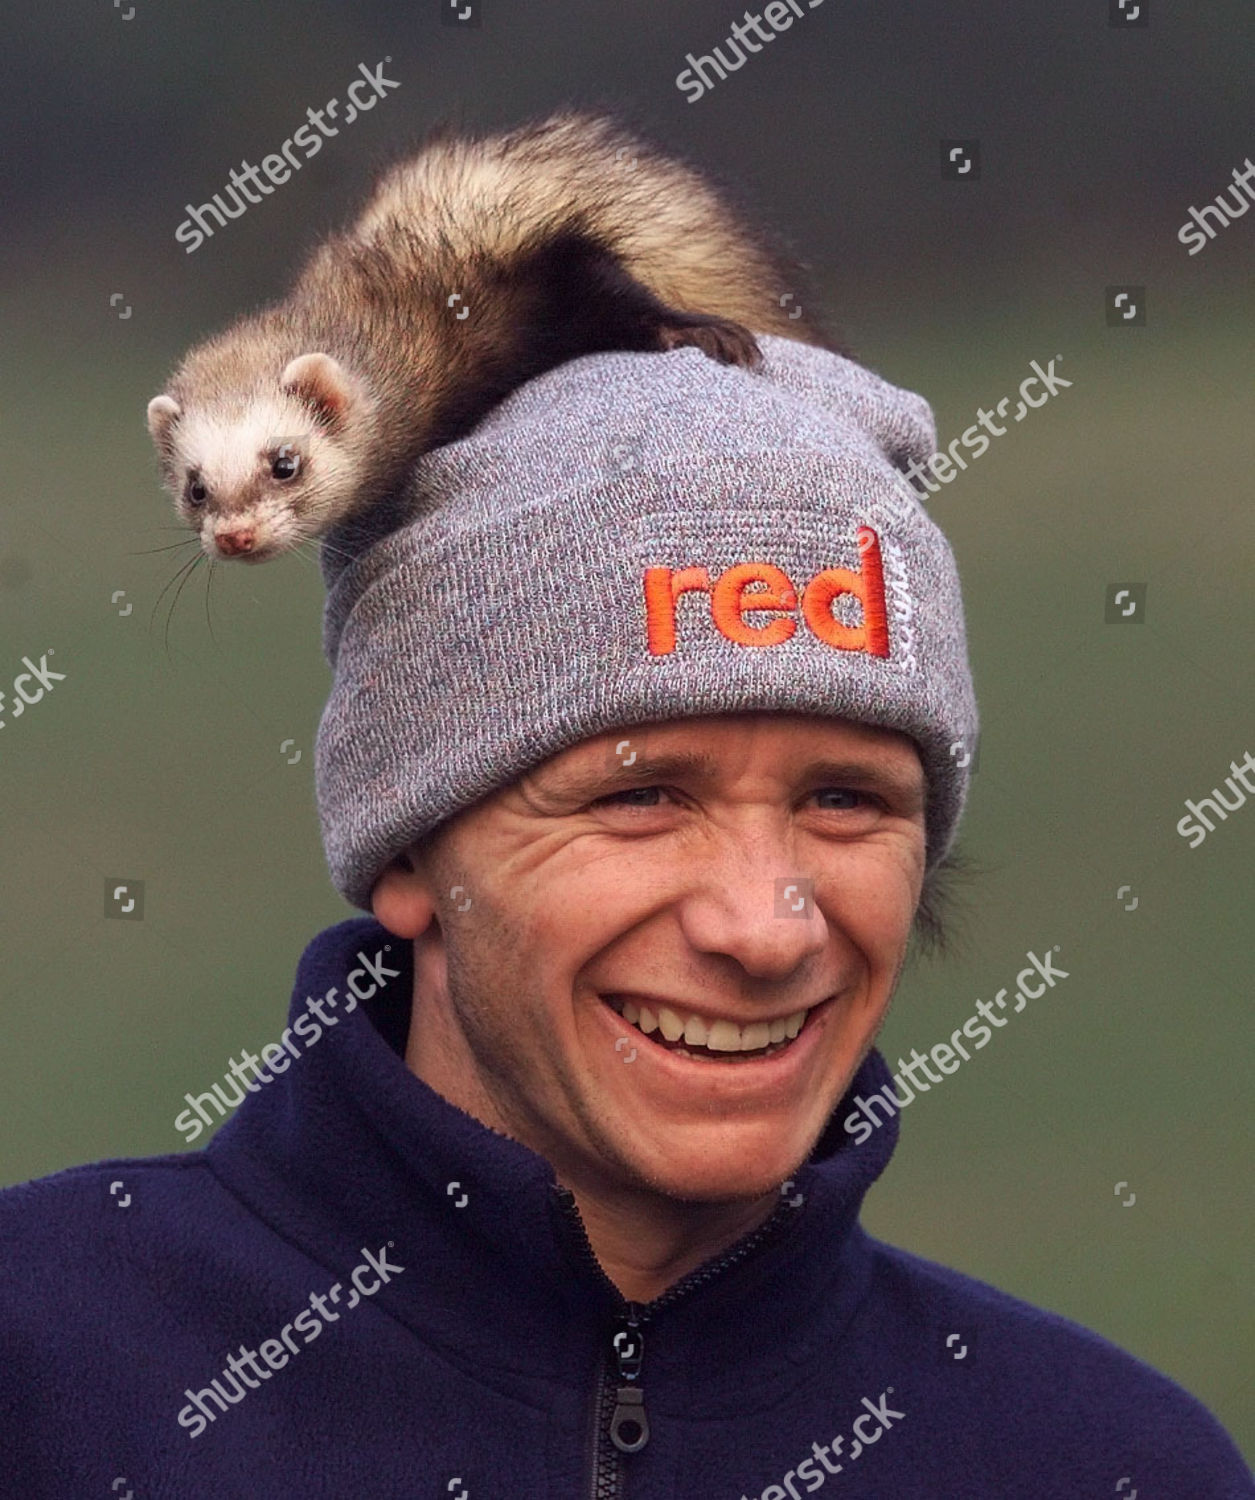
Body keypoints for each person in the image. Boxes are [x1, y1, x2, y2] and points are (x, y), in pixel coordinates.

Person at [0, 338, 1249, 1497]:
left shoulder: (1111, 1462)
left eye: (846, 801)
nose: (766, 927)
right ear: (405, 848)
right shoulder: (44, 1374)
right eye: (642, 795)